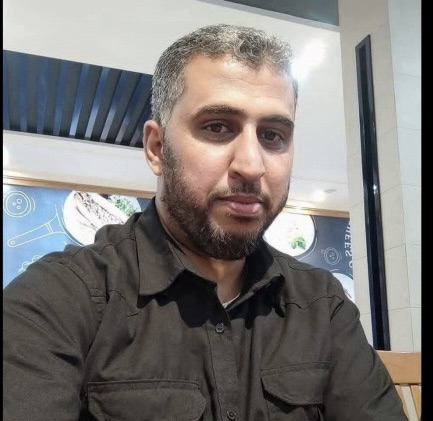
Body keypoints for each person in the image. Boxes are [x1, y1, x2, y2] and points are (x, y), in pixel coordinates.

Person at [3, 24, 407, 420]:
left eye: (272, 135)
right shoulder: (57, 299)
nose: (251, 165)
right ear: (157, 148)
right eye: (217, 127)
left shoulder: (322, 303)